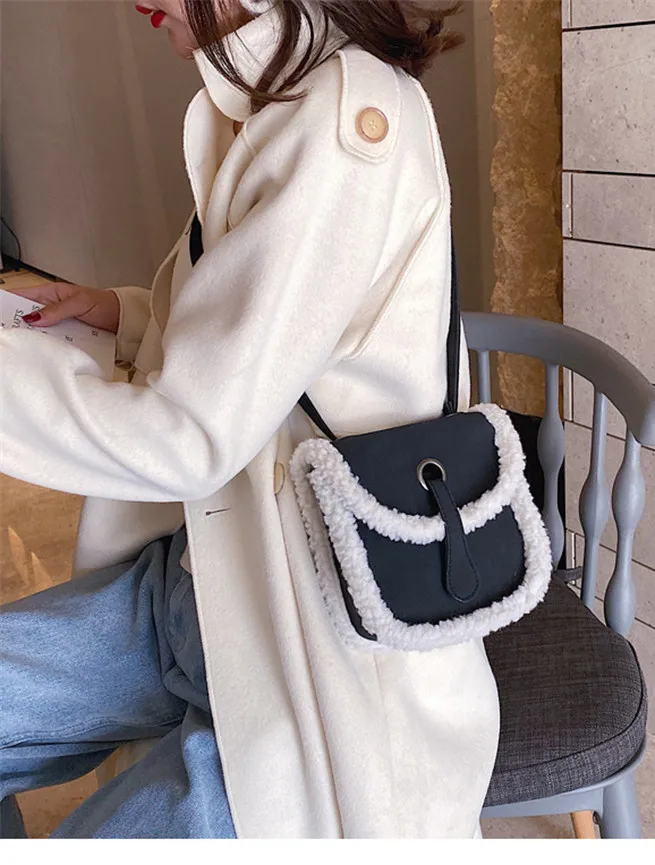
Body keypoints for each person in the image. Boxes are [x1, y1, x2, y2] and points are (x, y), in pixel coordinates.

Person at [0, 0, 499, 839]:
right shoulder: (282, 100)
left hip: (309, 651)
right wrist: (123, 312)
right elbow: (264, 341)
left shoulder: (341, 124)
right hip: (204, 584)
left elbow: (192, 437)